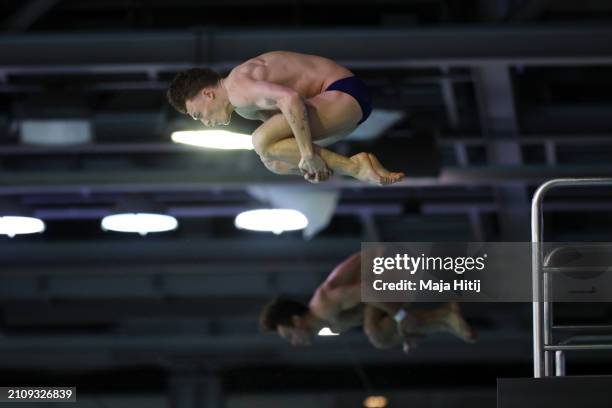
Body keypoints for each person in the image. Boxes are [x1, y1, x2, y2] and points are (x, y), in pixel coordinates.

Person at [166, 51, 405, 185]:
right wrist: (309, 164)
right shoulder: (241, 106)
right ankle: (354, 165)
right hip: (342, 106)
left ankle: (356, 167)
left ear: (208, 93)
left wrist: (308, 154)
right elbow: (286, 131)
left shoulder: (238, 88)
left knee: (260, 141)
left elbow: (290, 99)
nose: (204, 122)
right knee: (274, 162)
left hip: (344, 92)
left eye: (198, 114)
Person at [258, 251, 477, 351]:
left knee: (375, 333)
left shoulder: (324, 306)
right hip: (388, 277)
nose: (293, 343)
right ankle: (444, 321)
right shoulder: (331, 327)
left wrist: (401, 316)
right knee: (382, 338)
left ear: (296, 321)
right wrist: (402, 333)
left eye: (288, 336)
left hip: (392, 263)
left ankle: (445, 315)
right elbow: (376, 312)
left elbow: (371, 291)